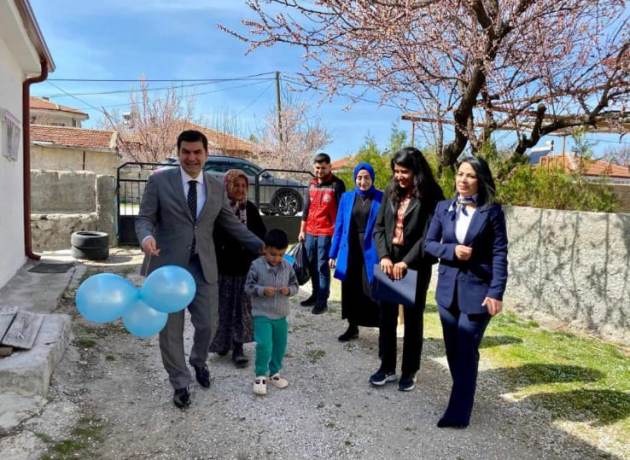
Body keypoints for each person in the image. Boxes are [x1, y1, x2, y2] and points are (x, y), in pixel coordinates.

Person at [136, 130, 263, 409]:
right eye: (186, 152)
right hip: (167, 267)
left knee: (208, 323)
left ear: (206, 154)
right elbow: (144, 218)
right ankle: (180, 381)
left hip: (203, 265)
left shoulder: (216, 186)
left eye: (197, 152)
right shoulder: (159, 181)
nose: (191, 158)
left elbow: (231, 223)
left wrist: (261, 246)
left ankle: (198, 360)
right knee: (171, 329)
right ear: (179, 152)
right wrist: (146, 238)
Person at [424, 156, 508, 428]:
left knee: (466, 349)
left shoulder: (492, 212)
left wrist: (496, 292)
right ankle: (465, 390)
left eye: (470, 175)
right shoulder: (443, 208)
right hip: (448, 292)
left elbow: (499, 254)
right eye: (460, 174)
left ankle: (458, 412)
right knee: (453, 350)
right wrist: (451, 251)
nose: (463, 180)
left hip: (478, 292)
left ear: (480, 180)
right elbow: (429, 244)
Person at [370, 147, 444, 392]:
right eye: (396, 171)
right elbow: (379, 227)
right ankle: (387, 367)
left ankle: (409, 370)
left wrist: (406, 262)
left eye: (404, 172)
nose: (399, 176)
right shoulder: (391, 190)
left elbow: (430, 235)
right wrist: (384, 256)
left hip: (415, 262)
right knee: (387, 317)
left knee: (412, 320)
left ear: (416, 171)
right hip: (389, 261)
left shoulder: (431, 194)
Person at [209, 169, 267, 367]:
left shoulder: (250, 209)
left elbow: (260, 236)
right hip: (224, 267)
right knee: (223, 309)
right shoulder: (219, 208)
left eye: (244, 186)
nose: (240, 189)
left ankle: (239, 347)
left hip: (245, 268)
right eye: (236, 185)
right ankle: (222, 343)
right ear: (227, 186)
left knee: (242, 309)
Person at [328, 162, 383, 341]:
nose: (362, 181)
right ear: (355, 179)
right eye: (359, 177)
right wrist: (332, 253)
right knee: (351, 288)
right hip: (350, 249)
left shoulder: (381, 198)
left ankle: (382, 329)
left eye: (366, 177)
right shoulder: (346, 197)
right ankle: (353, 326)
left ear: (372, 179)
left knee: (372, 288)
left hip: (372, 249)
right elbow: (339, 226)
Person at [244, 229, 299, 396]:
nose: (277, 259)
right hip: (262, 314)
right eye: (273, 254)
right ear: (265, 249)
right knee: (264, 344)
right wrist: (261, 290)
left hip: (281, 315)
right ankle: (260, 375)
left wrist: (288, 290)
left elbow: (296, 286)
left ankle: (275, 373)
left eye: (281, 255)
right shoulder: (256, 266)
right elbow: (248, 287)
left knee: (280, 345)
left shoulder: (287, 266)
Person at [298, 153, 346, 314]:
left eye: (323, 168)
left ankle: (322, 300)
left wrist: (337, 235)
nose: (320, 171)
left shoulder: (337, 185)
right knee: (311, 264)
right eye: (317, 168)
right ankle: (314, 294)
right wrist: (301, 230)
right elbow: (306, 209)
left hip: (327, 232)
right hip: (310, 231)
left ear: (329, 167)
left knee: (321, 265)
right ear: (314, 167)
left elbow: (341, 212)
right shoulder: (310, 184)